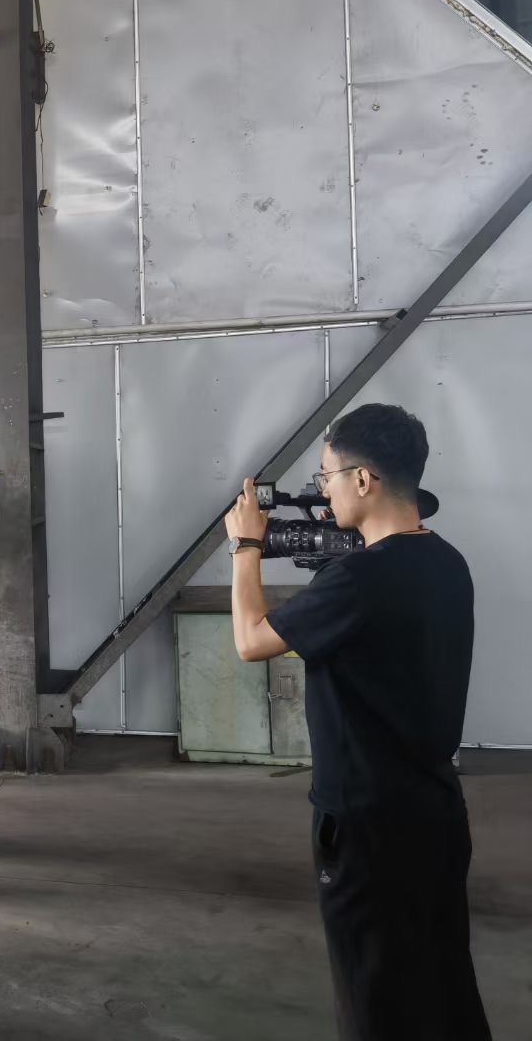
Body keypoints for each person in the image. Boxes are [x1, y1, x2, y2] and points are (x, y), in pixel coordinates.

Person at [225, 403, 490, 1041]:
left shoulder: (358, 581)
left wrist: (247, 547)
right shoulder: (448, 562)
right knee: (443, 982)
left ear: (363, 479)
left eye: (327, 476)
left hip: (368, 825)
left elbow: (251, 640)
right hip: (435, 810)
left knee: (375, 997)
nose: (324, 490)